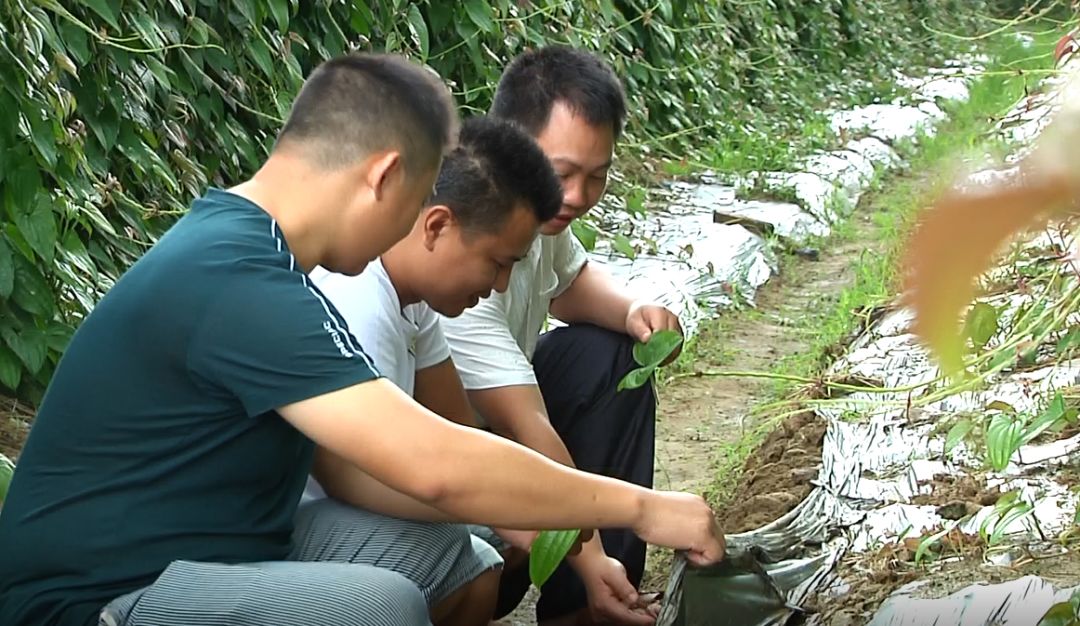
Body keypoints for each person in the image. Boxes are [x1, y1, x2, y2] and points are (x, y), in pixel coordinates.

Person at [0, 53, 724, 626]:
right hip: (99, 595)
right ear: (383, 177)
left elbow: (360, 474)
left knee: (456, 561)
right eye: (414, 205)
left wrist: (556, 534)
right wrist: (638, 507)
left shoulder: (268, 265)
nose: (409, 232)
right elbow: (433, 463)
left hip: (228, 549)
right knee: (378, 605)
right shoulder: (237, 278)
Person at [440, 45, 683, 625]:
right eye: (563, 173)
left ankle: (589, 608)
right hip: (463, 483)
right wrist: (595, 553)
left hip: (498, 452)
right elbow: (524, 424)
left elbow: (567, 283)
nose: (575, 197)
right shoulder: (455, 255)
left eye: (595, 176)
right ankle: (602, 588)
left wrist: (633, 310)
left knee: (607, 357)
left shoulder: (539, 214)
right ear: (510, 146)